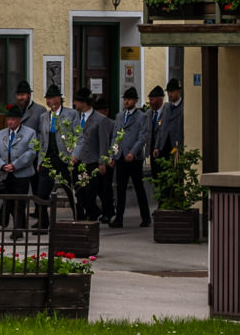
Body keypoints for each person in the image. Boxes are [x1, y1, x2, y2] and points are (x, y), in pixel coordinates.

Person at [73, 90, 116, 224]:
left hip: (92, 160)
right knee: (79, 191)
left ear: (84, 103)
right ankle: (93, 212)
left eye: (76, 101)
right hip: (77, 160)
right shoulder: (75, 117)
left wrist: (102, 162)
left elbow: (104, 142)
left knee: (90, 192)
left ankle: (91, 219)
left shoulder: (100, 119)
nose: (74, 103)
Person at [112, 87, 152, 228]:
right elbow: (115, 137)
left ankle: (146, 217)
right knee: (120, 188)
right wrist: (113, 154)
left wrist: (133, 152)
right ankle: (119, 218)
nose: (126, 102)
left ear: (135, 101)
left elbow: (142, 137)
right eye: (125, 99)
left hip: (134, 158)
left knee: (138, 187)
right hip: (121, 156)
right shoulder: (119, 116)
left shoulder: (142, 117)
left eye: (129, 99)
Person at [0, 106, 39, 229]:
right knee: (8, 200)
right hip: (6, 173)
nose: (10, 122)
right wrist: (2, 165)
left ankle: (16, 228)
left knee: (19, 203)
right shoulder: (1, 134)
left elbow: (31, 152)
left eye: (13, 119)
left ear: (19, 120)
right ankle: (15, 224)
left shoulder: (30, 133)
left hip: (22, 173)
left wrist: (15, 165)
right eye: (8, 119)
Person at [153, 79, 185, 159]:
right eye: (168, 92)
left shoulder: (184, 107)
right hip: (163, 147)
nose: (169, 94)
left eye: (172, 91)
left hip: (176, 147)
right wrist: (157, 146)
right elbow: (160, 126)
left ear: (179, 91)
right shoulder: (166, 107)